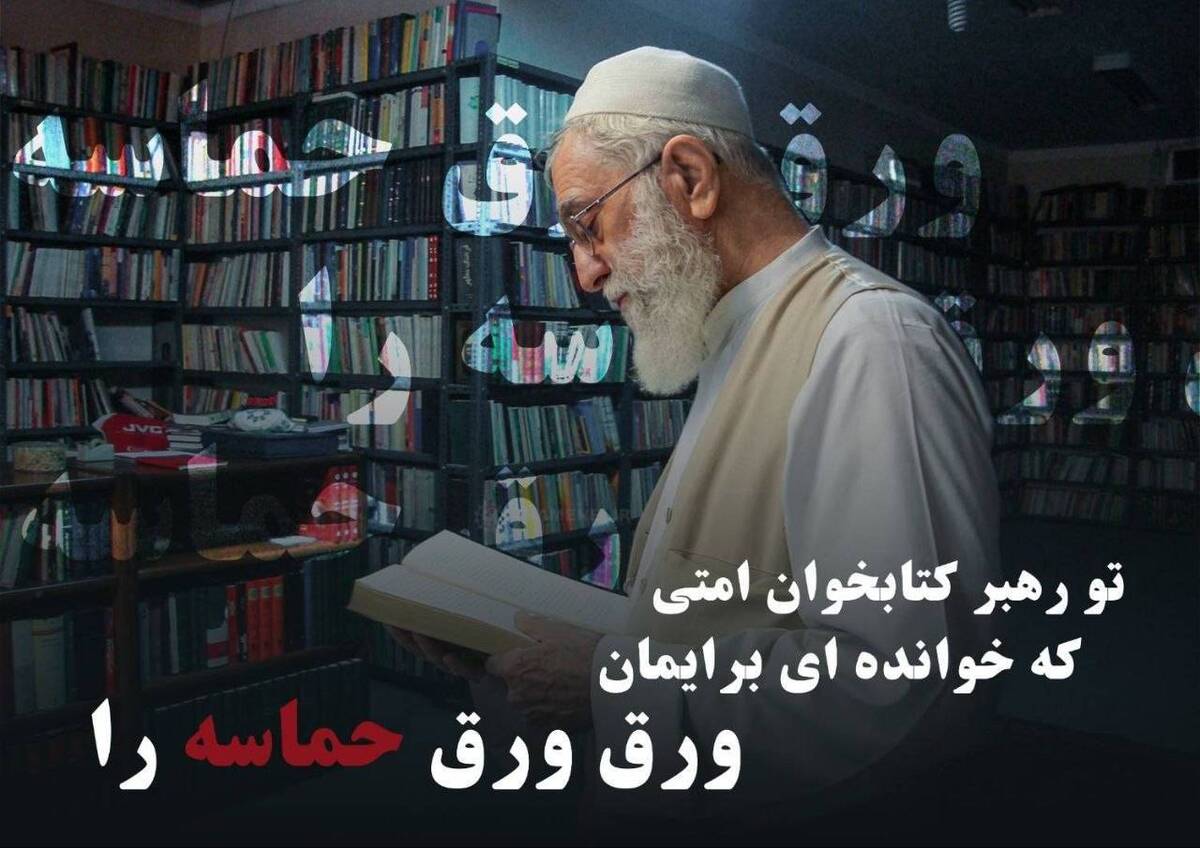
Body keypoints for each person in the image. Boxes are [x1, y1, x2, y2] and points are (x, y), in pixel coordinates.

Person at [391, 45, 1002, 831]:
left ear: (689, 177)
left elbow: (906, 684)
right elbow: (703, 619)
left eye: (588, 225)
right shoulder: (733, 335)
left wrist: (611, 684)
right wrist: (510, 654)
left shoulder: (872, 342)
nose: (585, 274)